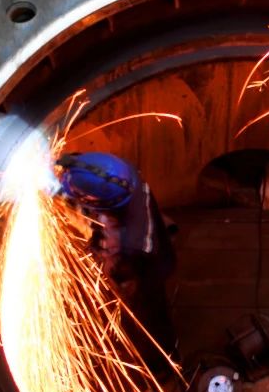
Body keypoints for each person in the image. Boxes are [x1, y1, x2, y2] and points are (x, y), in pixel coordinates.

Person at [55, 152, 177, 370]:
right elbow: (85, 172)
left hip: (144, 271)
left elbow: (119, 266)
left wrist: (110, 265)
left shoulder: (132, 245)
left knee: (145, 320)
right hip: (145, 255)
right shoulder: (121, 174)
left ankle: (159, 366)